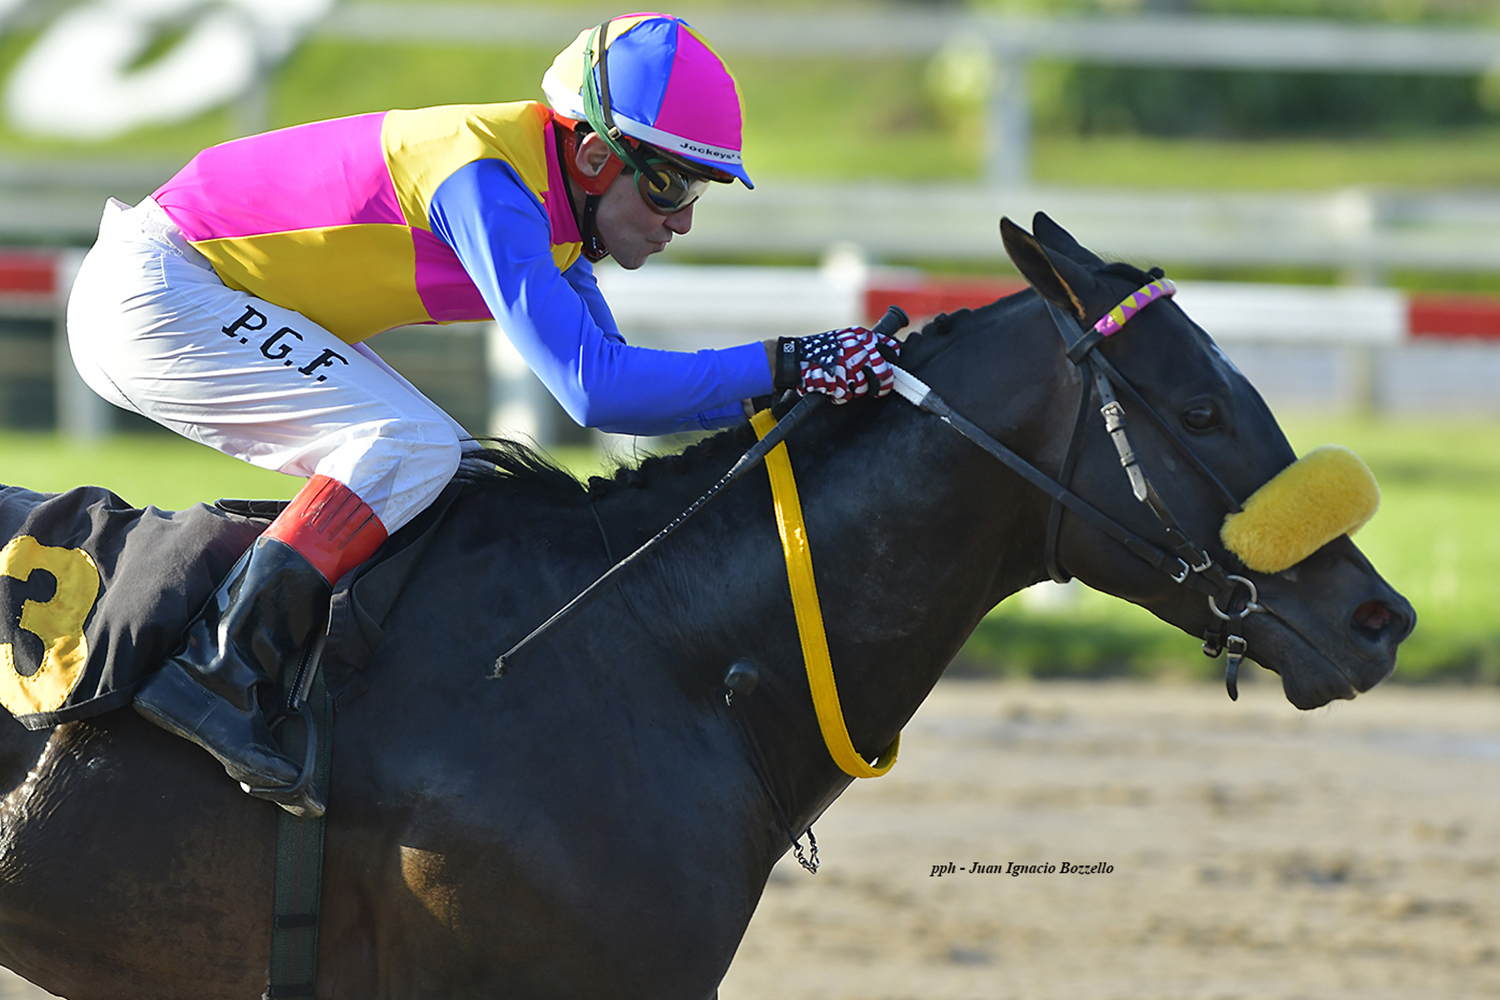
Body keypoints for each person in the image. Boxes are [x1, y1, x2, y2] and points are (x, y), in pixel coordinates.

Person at [65, 12, 900, 816]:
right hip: (157, 294)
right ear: (594, 155)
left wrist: (794, 384)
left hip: (189, 289)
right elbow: (596, 390)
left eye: (697, 191)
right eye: (669, 184)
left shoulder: (555, 213)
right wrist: (789, 362)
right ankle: (215, 673)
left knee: (450, 468)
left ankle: (335, 680)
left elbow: (627, 391)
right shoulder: (487, 183)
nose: (680, 220)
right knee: (413, 447)